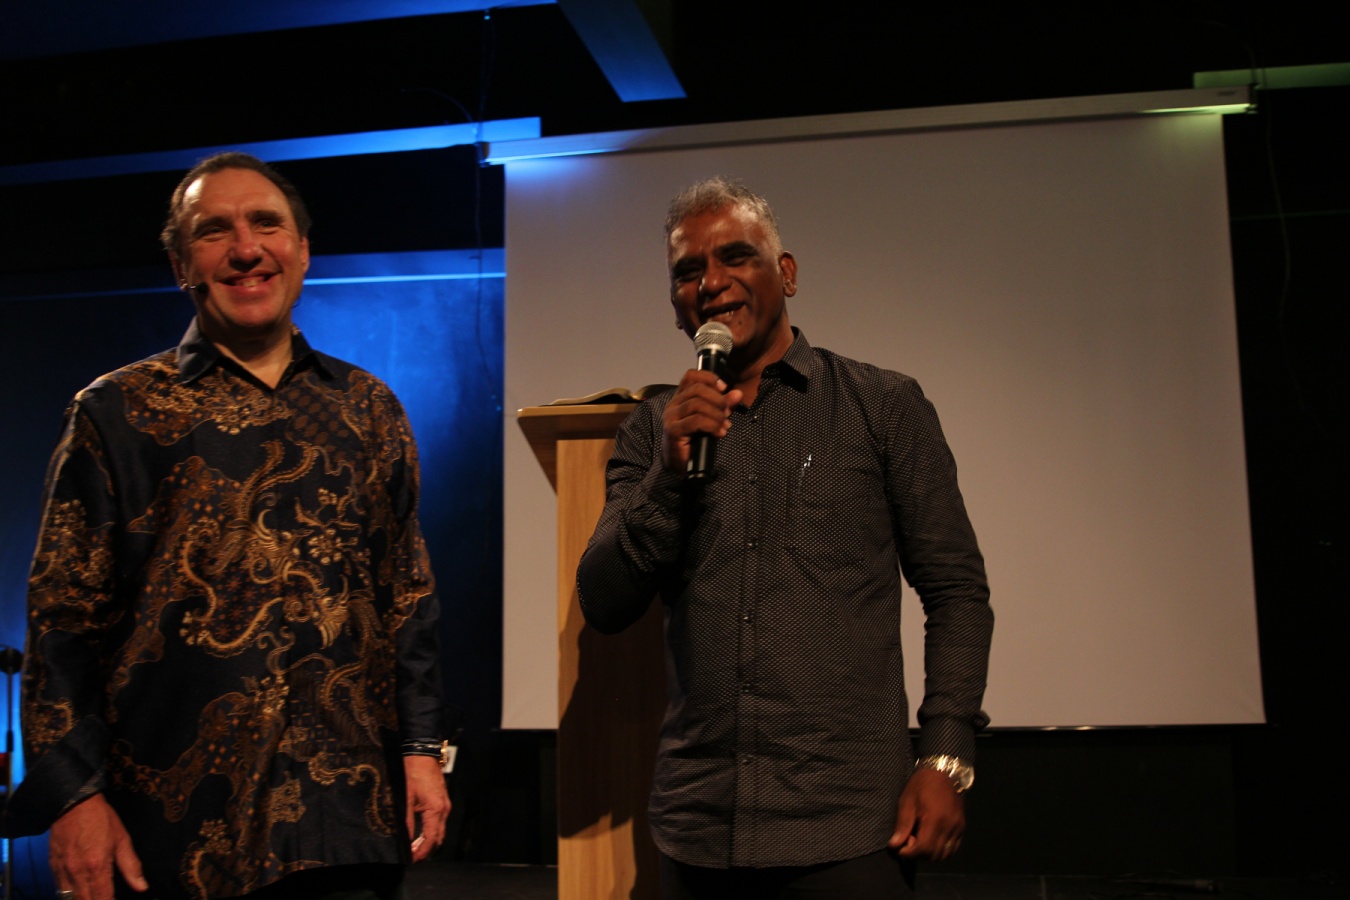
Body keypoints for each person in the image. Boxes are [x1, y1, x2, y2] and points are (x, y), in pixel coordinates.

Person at [8, 152, 451, 900]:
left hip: (349, 821)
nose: (246, 249)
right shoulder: (114, 413)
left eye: (266, 224)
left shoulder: (369, 409)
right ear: (181, 264)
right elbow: (62, 622)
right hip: (172, 835)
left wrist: (421, 748)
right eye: (214, 231)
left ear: (302, 251)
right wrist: (73, 796)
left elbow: (407, 596)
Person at [576, 178, 993, 897]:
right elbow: (604, 601)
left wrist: (945, 758)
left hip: (848, 828)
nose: (710, 282)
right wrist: (669, 476)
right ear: (676, 303)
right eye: (687, 270)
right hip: (699, 829)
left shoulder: (883, 407)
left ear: (787, 273)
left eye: (735, 256)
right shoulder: (652, 432)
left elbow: (956, 592)